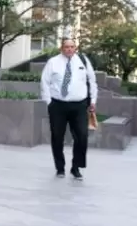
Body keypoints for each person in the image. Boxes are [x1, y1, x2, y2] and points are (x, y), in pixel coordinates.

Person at [40, 38, 97, 180]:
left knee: (82, 136)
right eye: (66, 47)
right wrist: (49, 102)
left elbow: (92, 81)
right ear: (62, 48)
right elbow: (44, 82)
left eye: (72, 47)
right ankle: (60, 168)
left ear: (75, 48)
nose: (69, 49)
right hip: (58, 105)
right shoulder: (53, 62)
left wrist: (93, 100)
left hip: (79, 105)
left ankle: (75, 167)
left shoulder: (83, 61)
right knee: (57, 137)